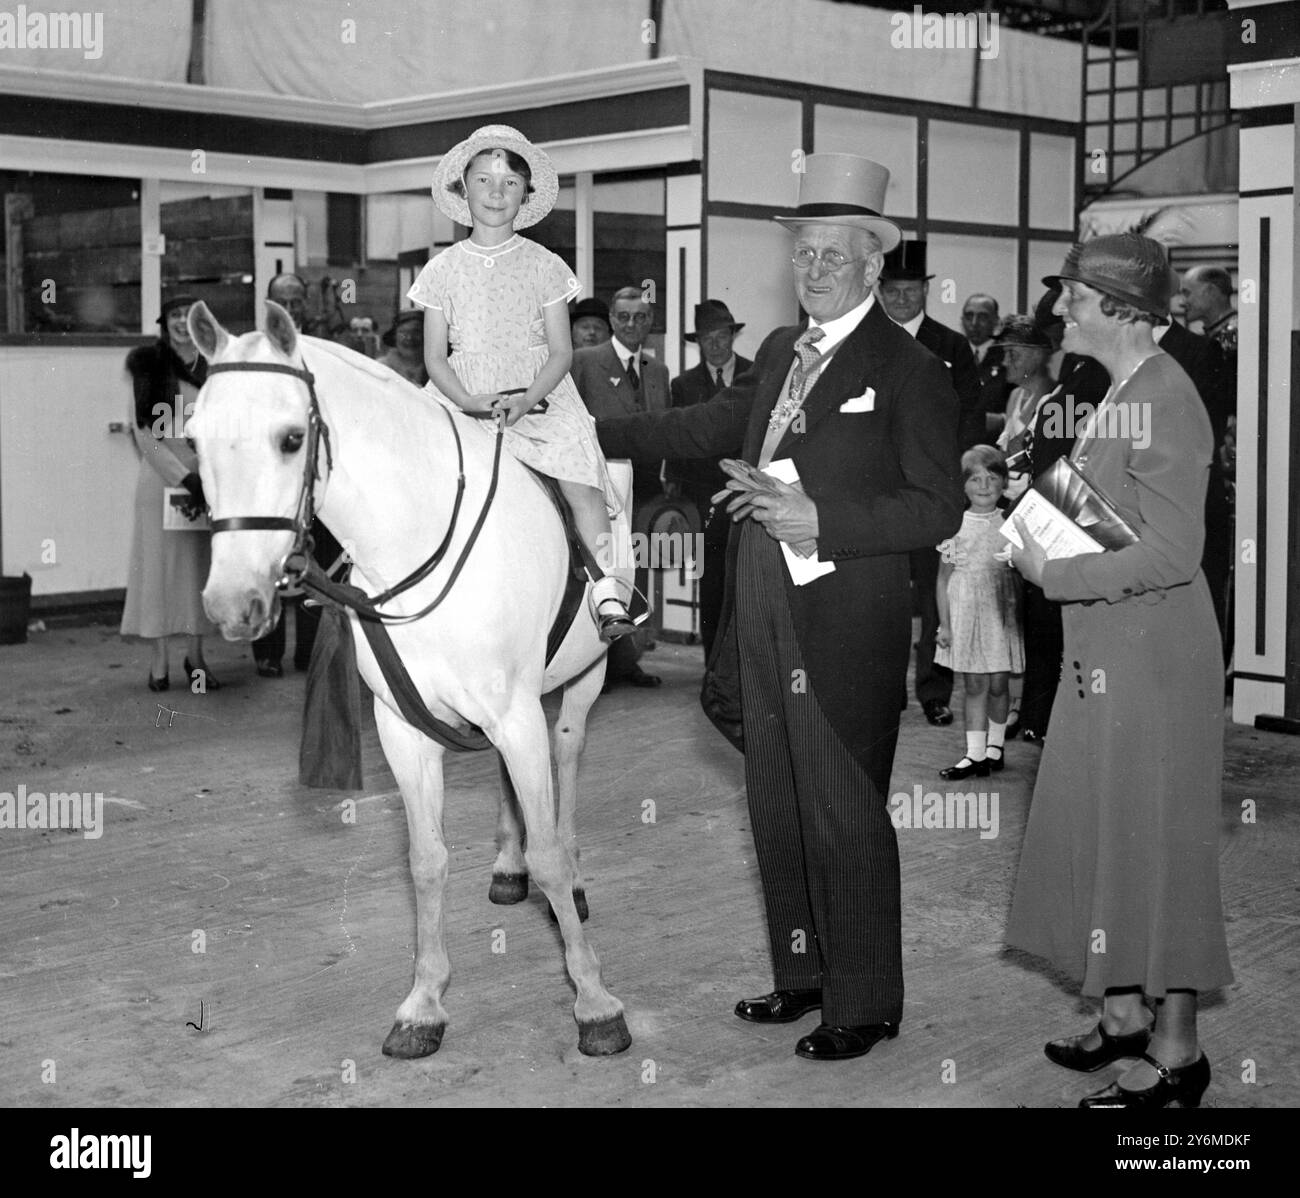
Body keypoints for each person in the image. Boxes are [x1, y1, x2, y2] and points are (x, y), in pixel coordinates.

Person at [595, 153, 964, 1061]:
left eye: (834, 254)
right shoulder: (777, 351)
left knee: (843, 806)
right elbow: (708, 426)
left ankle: (864, 1000)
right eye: (804, 252)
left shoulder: (910, 369)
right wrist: (584, 432)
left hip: (842, 615)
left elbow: (938, 508)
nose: (814, 268)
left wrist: (820, 518)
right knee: (775, 797)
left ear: (873, 263)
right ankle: (803, 975)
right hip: (758, 594)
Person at [1006, 233, 1231, 1108]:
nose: (1059, 310)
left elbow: (1175, 552)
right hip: (1109, 648)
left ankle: (1178, 1055)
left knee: (1158, 844)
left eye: (1073, 296)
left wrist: (1053, 571)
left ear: (1121, 309)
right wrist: (1031, 516)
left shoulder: (1165, 398)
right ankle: (1126, 1013)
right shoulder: (1121, 390)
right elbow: (1110, 508)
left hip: (1153, 656)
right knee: (1107, 830)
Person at [409, 124, 635, 642]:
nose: (496, 192)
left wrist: (528, 398)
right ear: (463, 189)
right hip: (462, 395)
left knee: (581, 480)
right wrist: (468, 401)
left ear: (525, 195)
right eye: (483, 180)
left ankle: (609, 591)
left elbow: (562, 351)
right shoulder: (440, 270)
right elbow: (434, 357)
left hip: (538, 394)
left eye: (510, 183)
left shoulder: (545, 265)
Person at [877, 239, 979, 727]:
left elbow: (971, 417)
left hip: (936, 496)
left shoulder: (952, 346)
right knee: (885, 598)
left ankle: (934, 692)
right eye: (893, 291)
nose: (901, 299)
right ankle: (884, 690)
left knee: (937, 599)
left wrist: (958, 484)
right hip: (881, 497)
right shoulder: (867, 343)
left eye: (910, 290)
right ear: (880, 292)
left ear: (925, 291)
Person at [571, 285, 673, 686]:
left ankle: (626, 661)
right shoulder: (584, 361)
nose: (632, 324)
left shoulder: (657, 371)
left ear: (651, 322)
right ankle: (590, 665)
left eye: (641, 317)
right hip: (600, 486)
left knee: (636, 568)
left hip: (644, 486)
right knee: (602, 567)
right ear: (612, 319)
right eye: (624, 317)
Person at [120, 294, 220, 692]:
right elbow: (145, 435)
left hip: (205, 482)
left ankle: (196, 659)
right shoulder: (149, 364)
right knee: (157, 571)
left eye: (188, 316)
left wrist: (206, 477)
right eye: (175, 315)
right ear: (165, 323)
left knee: (198, 570)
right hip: (162, 482)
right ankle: (159, 661)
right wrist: (183, 478)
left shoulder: (213, 365)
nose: (182, 322)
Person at [252, 277, 347, 677]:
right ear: (268, 304)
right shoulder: (254, 353)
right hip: (272, 475)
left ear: (306, 304)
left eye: (296, 301)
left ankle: (309, 652)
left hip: (315, 477)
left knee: (315, 564)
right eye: (282, 302)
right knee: (269, 561)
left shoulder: (325, 351)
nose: (290, 309)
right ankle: (267, 652)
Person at [665, 299, 752, 660]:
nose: (715, 345)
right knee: (712, 582)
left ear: (732, 336)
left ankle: (747, 664)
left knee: (748, 581)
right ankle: (713, 665)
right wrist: (674, 485)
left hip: (748, 495)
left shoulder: (755, 375)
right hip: (703, 498)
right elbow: (676, 439)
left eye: (721, 336)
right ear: (698, 342)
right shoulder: (684, 385)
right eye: (707, 338)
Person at [934, 445, 1023, 778]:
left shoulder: (1011, 522)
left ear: (1004, 482)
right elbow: (942, 579)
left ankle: (995, 747)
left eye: (992, 478)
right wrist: (945, 625)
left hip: (1001, 612)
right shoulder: (953, 525)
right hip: (966, 611)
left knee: (999, 683)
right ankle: (974, 754)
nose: (984, 486)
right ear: (963, 485)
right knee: (974, 684)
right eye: (975, 479)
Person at [962, 292, 1013, 438]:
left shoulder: (1008, 356)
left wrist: (1002, 420)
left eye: (982, 317)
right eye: (969, 316)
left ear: (996, 321)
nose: (974, 323)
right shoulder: (952, 354)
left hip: (993, 443)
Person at [377, 309, 428, 386]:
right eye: (403, 332)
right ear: (394, 336)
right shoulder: (381, 367)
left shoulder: (439, 370)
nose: (409, 338)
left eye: (416, 332)